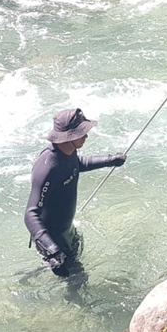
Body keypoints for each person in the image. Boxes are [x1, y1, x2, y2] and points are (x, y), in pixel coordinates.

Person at [24, 107, 125, 285]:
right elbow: (31, 214)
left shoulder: (68, 152)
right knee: (78, 279)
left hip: (67, 231)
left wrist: (110, 160)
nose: (86, 136)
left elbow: (77, 164)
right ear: (69, 136)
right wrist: (52, 251)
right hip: (53, 237)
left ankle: (35, 276)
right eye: (82, 133)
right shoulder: (47, 167)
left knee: (74, 272)